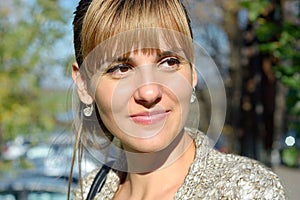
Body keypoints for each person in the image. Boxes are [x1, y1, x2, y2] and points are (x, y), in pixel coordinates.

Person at [70, 0, 286, 199]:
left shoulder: (246, 191)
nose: (149, 93)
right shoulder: (89, 191)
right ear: (83, 85)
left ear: (192, 72)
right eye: (121, 68)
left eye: (169, 62)